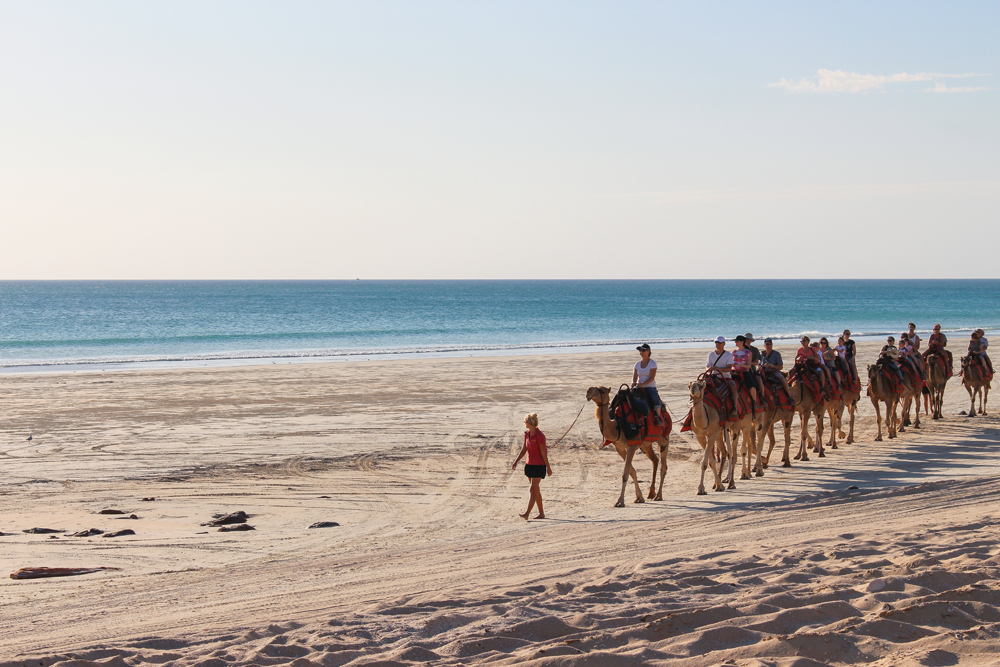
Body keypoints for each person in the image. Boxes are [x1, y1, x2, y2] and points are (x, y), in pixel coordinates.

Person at [512, 413, 551, 520]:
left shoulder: (540, 436)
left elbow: (543, 453)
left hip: (539, 466)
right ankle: (541, 514)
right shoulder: (527, 434)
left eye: (525, 422)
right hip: (529, 465)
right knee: (536, 490)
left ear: (529, 423)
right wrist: (516, 461)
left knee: (532, 490)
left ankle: (527, 514)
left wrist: (548, 467)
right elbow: (524, 450)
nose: (524, 423)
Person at [632, 343, 663, 421]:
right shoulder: (637, 364)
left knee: (654, 398)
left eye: (643, 350)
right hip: (639, 387)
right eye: (640, 350)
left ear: (648, 351)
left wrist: (643, 384)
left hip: (650, 387)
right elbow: (635, 376)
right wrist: (634, 383)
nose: (641, 352)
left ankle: (658, 417)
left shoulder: (652, 363)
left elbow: (652, 377)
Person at [706, 336, 738, 405]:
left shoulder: (728, 355)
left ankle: (735, 405)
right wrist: (709, 369)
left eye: (719, 342)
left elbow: (729, 369)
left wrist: (717, 368)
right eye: (716, 342)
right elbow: (707, 366)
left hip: (725, 378)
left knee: (732, 386)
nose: (717, 344)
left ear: (724, 344)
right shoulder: (711, 354)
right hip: (714, 377)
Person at [733, 335, 758, 405]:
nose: (735, 342)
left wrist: (742, 365)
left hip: (744, 372)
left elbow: (749, 366)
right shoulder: (733, 352)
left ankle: (754, 402)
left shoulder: (748, 352)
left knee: (752, 387)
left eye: (737, 341)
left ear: (742, 342)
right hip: (734, 372)